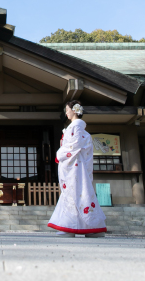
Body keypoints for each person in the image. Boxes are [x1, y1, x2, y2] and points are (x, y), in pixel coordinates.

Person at [47, 100, 107, 237]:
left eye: (67, 110)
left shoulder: (76, 127)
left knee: (73, 194)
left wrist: (59, 154)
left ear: (74, 110)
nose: (66, 112)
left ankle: (70, 227)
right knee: (82, 193)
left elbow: (74, 145)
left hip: (75, 167)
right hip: (77, 166)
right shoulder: (78, 128)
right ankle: (91, 227)